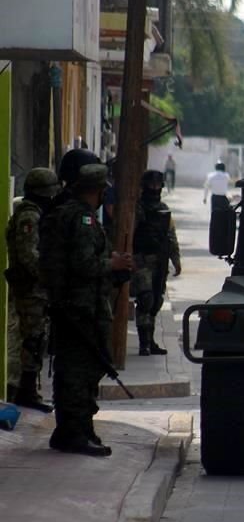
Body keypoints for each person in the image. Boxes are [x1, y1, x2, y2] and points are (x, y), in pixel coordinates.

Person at [40, 162, 133, 456]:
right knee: (78, 372)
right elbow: (83, 265)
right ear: (99, 190)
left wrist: (112, 264)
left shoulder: (76, 215)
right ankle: (72, 432)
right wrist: (113, 264)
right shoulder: (81, 219)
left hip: (79, 307)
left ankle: (79, 427)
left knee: (84, 368)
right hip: (80, 309)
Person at [4, 168, 60, 412]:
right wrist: (49, 277)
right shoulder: (30, 216)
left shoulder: (35, 213)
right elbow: (29, 256)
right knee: (32, 340)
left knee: (37, 338)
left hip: (35, 289)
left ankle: (28, 390)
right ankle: (24, 391)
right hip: (30, 289)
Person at [132, 170, 182, 356]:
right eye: (151, 185)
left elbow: (171, 236)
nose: (154, 188)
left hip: (159, 262)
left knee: (156, 302)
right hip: (141, 259)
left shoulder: (163, 208)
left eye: (157, 185)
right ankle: (143, 343)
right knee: (145, 299)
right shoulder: (136, 208)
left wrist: (176, 260)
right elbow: (128, 234)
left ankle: (150, 341)